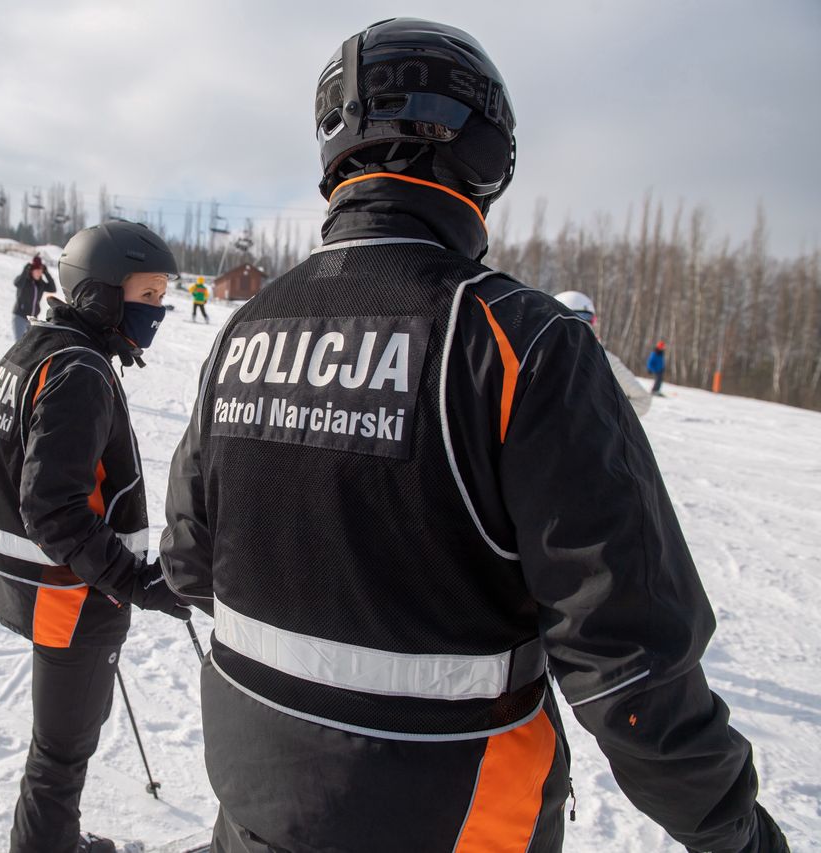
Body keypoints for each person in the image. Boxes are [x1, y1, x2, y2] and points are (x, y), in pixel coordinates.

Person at [160, 18, 789, 853]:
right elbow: (626, 652)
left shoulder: (248, 329)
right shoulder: (518, 338)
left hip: (253, 792)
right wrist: (730, 828)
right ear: (485, 156)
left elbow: (189, 560)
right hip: (451, 813)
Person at [0, 221, 191, 853]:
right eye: (147, 296)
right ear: (102, 296)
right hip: (73, 593)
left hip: (39, 584)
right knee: (62, 750)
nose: (159, 311)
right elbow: (54, 509)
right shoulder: (80, 369)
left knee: (61, 738)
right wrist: (135, 580)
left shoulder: (34, 347)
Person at [554, 291, 650, 416]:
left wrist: (599, 416)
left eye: (588, 319)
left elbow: (642, 399)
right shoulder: (540, 356)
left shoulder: (604, 358)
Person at [11, 254, 56, 340]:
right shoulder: (24, 281)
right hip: (19, 317)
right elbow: (17, 283)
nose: (39, 273)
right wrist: (25, 270)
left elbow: (53, 288)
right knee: (19, 344)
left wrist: (46, 273)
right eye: (37, 270)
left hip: (32, 319)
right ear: (32, 270)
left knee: (30, 346)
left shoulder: (40, 284)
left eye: (41, 271)